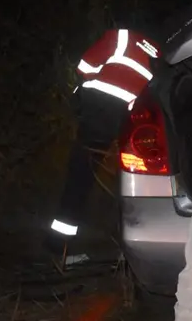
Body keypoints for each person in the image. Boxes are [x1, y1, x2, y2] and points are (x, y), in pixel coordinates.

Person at [48, 28, 160, 251]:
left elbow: (85, 66)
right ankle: (82, 239)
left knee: (78, 175)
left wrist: (86, 88)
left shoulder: (122, 36)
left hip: (93, 109)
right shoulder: (158, 54)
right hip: (116, 120)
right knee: (92, 175)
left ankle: (57, 245)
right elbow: (145, 98)